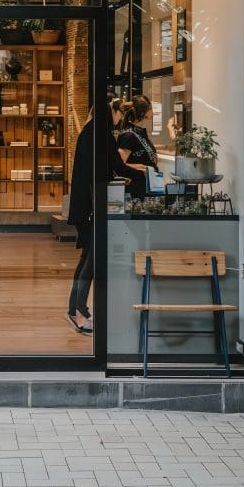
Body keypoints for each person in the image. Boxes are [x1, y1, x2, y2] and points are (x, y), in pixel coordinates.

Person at [66, 106, 140, 334]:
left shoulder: (89, 131)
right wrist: (142, 175)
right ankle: (80, 314)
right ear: (112, 114)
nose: (119, 120)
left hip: (82, 205)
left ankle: (73, 309)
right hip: (92, 207)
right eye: (117, 114)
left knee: (86, 257)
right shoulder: (101, 133)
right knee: (92, 262)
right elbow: (116, 165)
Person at [118, 95, 158, 199]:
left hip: (147, 187)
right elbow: (118, 165)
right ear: (143, 113)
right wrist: (141, 167)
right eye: (151, 109)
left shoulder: (140, 132)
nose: (153, 113)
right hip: (136, 191)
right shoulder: (128, 135)